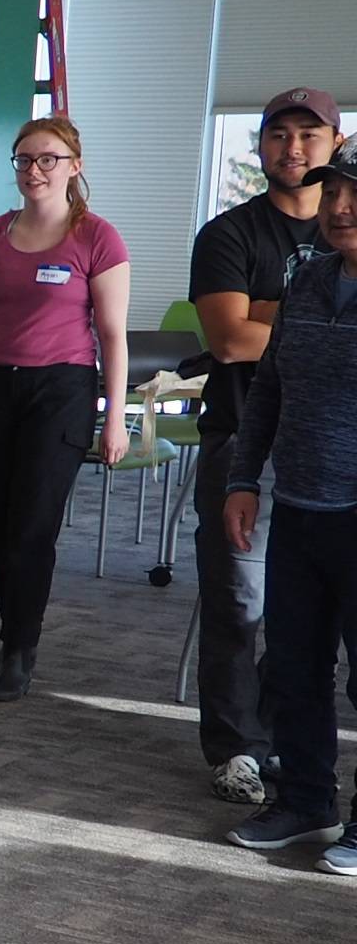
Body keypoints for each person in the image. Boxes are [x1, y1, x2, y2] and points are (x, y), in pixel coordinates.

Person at [0, 115, 133, 703]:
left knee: (32, 526)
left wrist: (113, 416)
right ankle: (10, 633)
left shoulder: (97, 238)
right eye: (24, 160)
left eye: (48, 160)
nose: (34, 171)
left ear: (74, 167)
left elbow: (113, 335)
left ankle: (22, 649)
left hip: (62, 389)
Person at [188, 89, 340, 804]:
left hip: (333, 459)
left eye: (310, 135)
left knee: (305, 620)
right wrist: (316, 319)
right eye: (278, 135)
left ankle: (286, 747)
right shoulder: (230, 234)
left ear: (335, 146)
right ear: (260, 148)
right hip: (241, 440)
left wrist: (267, 312)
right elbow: (229, 339)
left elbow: (257, 328)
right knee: (236, 604)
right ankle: (235, 749)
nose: (294, 149)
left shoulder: (344, 236)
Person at [223, 150, 357, 875]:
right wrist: (244, 477)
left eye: (352, 194)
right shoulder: (307, 279)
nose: (339, 206)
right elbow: (269, 388)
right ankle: (307, 798)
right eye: (332, 192)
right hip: (300, 506)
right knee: (296, 667)